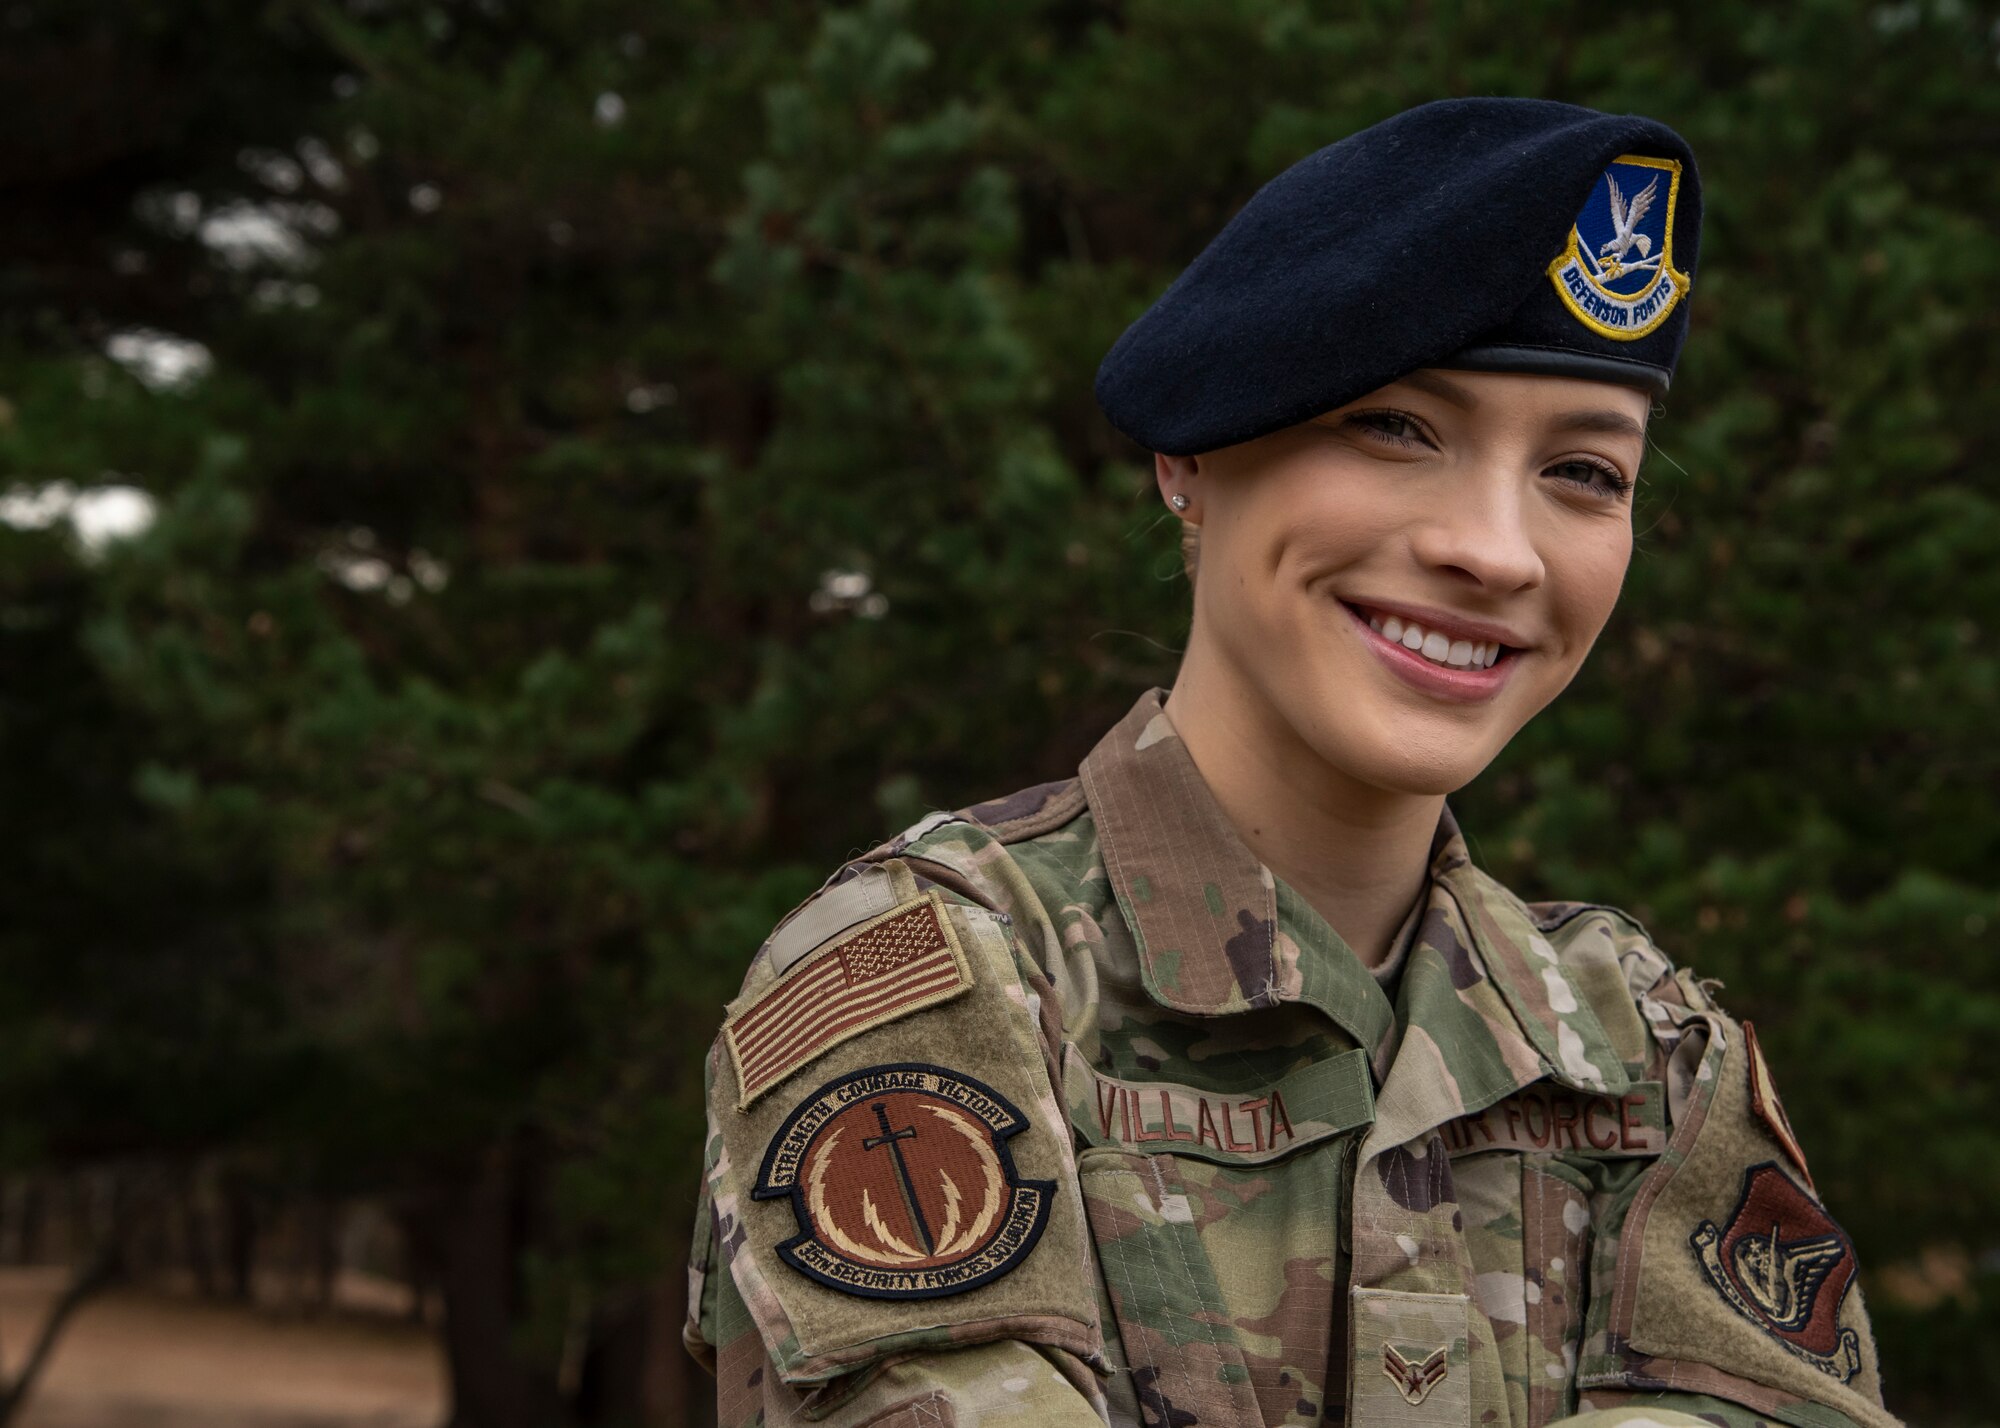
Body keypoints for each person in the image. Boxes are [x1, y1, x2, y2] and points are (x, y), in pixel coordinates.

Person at [682, 98, 1899, 1428]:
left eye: (1585, 472)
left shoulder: (1639, 1047)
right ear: (1189, 455)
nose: (1496, 551)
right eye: (1397, 429)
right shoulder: (942, 976)